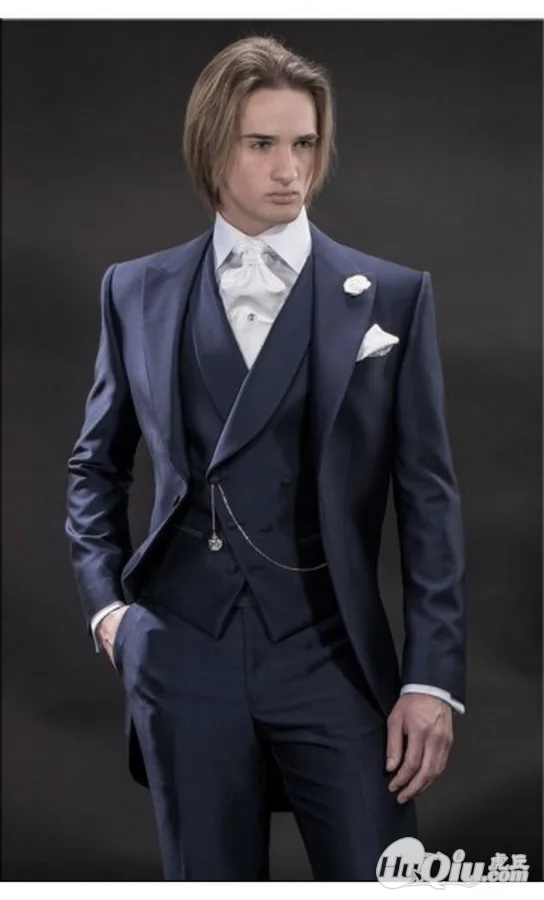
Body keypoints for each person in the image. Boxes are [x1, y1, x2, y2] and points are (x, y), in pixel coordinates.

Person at [64, 34, 466, 881]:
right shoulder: (134, 291)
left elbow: (428, 500)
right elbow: (96, 467)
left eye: (305, 143)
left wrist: (431, 680)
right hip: (184, 654)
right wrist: (111, 616)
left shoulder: (393, 296)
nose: (292, 169)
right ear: (213, 147)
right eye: (262, 144)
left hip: (333, 655)